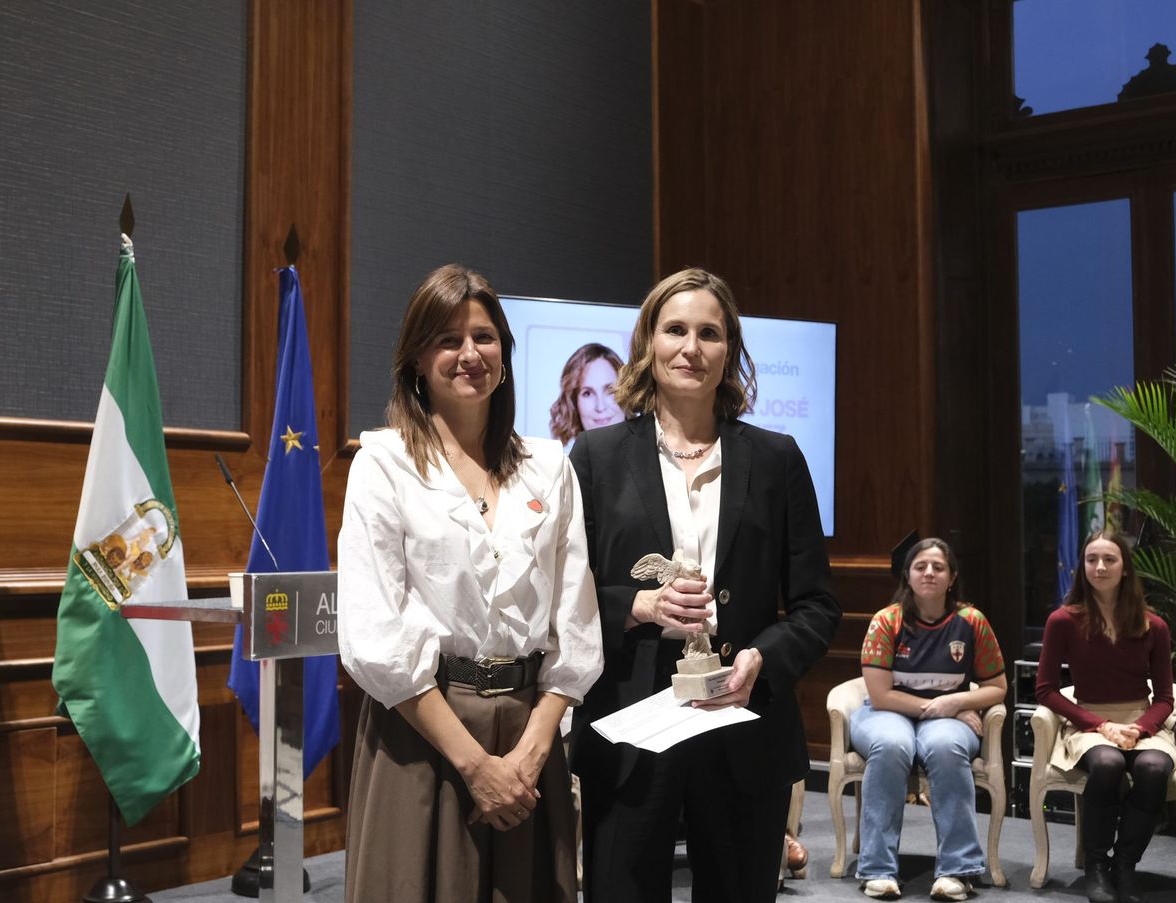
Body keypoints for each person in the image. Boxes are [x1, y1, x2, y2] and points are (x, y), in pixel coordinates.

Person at [569, 267, 840, 902]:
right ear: (648, 345)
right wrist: (635, 604)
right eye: (676, 330)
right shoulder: (595, 458)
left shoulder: (777, 459)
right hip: (629, 729)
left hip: (744, 725)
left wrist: (760, 659)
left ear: (730, 353)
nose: (691, 347)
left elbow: (817, 604)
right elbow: (564, 595)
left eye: (710, 333)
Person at [338, 264, 603, 902]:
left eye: (484, 337)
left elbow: (576, 619)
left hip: (529, 735)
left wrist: (529, 756)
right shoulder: (382, 463)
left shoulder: (548, 467)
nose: (468, 354)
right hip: (423, 734)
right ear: (416, 360)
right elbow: (374, 633)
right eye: (448, 339)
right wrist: (475, 765)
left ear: (504, 356)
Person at [852, 537, 1007, 901]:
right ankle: (877, 869)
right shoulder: (885, 621)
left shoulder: (972, 621)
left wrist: (956, 701)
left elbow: (997, 687)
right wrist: (941, 706)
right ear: (907, 574)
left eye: (938, 567)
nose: (929, 573)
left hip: (946, 717)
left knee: (945, 745)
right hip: (886, 713)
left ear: (952, 577)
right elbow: (881, 695)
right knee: (892, 745)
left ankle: (957, 869)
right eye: (920, 566)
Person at [1036, 529, 1176, 903]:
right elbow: (1045, 689)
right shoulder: (1063, 621)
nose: (1099, 567)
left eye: (1109, 559)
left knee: (1152, 769)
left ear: (1125, 568)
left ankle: (1125, 864)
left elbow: (1164, 698)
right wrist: (1101, 726)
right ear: (1082, 567)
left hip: (1141, 721)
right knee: (1107, 762)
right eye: (1091, 559)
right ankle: (1096, 867)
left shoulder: (1154, 626)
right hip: (1089, 721)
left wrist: (1139, 728)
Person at [549, 342, 624, 447]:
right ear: (574, 404)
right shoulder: (562, 461)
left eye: (610, 390)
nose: (600, 407)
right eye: (587, 393)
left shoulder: (652, 454)